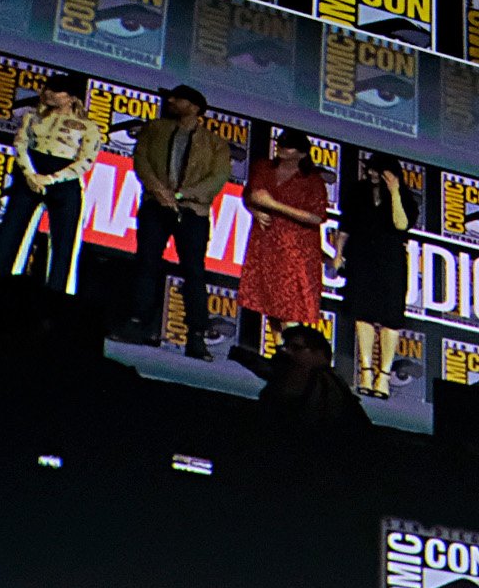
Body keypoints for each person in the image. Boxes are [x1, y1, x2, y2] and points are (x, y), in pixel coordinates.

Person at [117, 82, 228, 354]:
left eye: (177, 99)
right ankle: (138, 323)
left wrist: (180, 196)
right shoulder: (154, 129)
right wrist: (159, 190)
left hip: (193, 212)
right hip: (156, 206)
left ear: (194, 107)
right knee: (146, 263)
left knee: (193, 271)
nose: (171, 102)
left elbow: (217, 178)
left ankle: (197, 336)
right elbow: (141, 161)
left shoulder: (215, 143)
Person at [0, 72, 101, 294]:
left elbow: (86, 161)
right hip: (31, 172)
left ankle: (59, 296)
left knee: (65, 245)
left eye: (56, 90)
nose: (48, 94)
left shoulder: (88, 127)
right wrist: (29, 174)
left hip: (64, 180)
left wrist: (53, 179)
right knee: (11, 234)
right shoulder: (32, 117)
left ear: (71, 97)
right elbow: (20, 145)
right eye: (47, 88)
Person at [234, 127, 329, 365]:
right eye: (280, 144)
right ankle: (281, 356)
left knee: (289, 306)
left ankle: (296, 359)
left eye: (288, 146)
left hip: (296, 248)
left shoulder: (313, 181)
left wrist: (274, 205)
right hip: (265, 243)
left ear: (302, 153)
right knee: (271, 302)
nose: (281, 148)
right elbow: (252, 195)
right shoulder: (264, 167)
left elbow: (316, 217)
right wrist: (255, 209)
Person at [341, 151, 410, 397]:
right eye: (369, 169)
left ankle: (384, 377)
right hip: (362, 257)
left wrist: (394, 193)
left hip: (391, 261)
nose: (371, 173)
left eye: (377, 170)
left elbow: (401, 224)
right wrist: (339, 253)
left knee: (391, 318)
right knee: (364, 313)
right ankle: (366, 372)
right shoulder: (357, 191)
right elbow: (346, 224)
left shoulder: (405, 196)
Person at [255, 323, 369, 428]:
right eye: (284, 347)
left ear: (320, 355)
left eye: (296, 348)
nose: (286, 352)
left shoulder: (328, 389)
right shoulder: (285, 379)